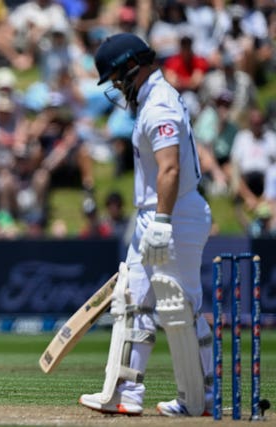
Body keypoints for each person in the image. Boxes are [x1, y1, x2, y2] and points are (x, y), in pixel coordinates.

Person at [78, 33, 214, 417]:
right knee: (133, 302)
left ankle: (202, 397)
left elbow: (170, 168)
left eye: (118, 78)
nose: (118, 87)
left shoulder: (159, 107)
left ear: (132, 67)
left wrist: (162, 223)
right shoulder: (157, 99)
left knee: (181, 308)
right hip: (157, 215)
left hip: (172, 215)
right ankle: (127, 394)